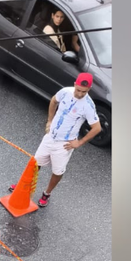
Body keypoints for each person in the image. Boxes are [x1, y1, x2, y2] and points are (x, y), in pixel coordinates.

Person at [25, 74, 106, 208]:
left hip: (65, 144)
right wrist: (50, 120)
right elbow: (53, 101)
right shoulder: (65, 92)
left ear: (89, 89)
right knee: (35, 163)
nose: (80, 94)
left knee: (57, 171)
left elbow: (97, 128)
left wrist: (79, 142)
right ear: (75, 84)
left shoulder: (88, 106)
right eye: (78, 90)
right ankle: (25, 186)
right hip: (50, 136)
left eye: (84, 91)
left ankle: (47, 193)